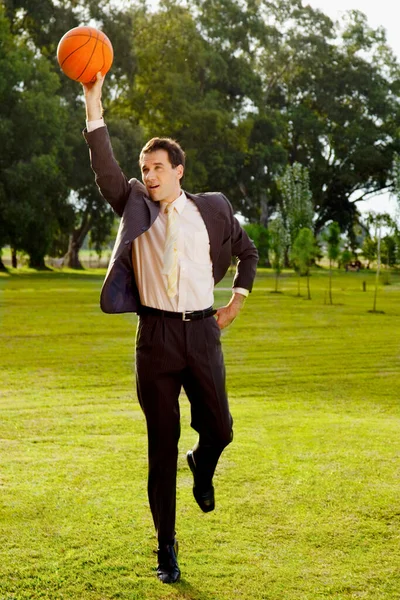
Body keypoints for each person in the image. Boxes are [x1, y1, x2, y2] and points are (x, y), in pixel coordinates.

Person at [82, 73, 258, 584]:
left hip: (203, 334)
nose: (150, 175)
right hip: (155, 339)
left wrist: (237, 299)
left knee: (220, 428)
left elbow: (247, 253)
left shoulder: (214, 209)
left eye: (158, 167)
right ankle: (166, 547)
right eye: (145, 168)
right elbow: (106, 171)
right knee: (161, 445)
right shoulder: (134, 203)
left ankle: (202, 463)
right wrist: (94, 107)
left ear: (179, 170)